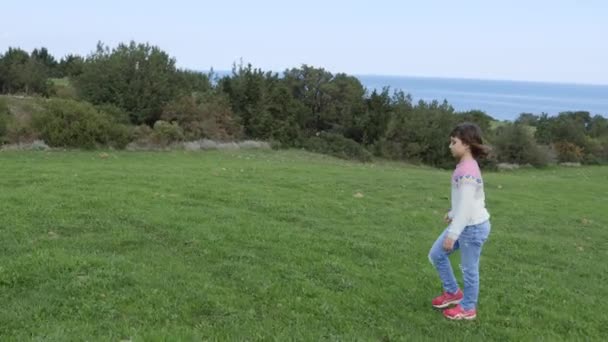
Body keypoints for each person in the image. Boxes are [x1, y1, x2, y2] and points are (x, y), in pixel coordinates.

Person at [428, 122, 491, 320]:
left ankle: (468, 308)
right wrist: (453, 212)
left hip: (472, 228)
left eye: (454, 142)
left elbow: (467, 206)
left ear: (466, 144)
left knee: (469, 269)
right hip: (465, 222)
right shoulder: (465, 167)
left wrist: (453, 233)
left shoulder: (467, 171)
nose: (450, 146)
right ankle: (453, 292)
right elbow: (465, 202)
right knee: (437, 254)